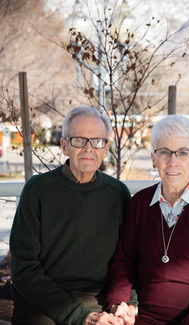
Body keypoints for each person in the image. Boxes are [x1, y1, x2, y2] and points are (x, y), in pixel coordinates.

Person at [105, 114, 189, 325]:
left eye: (183, 153)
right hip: (147, 318)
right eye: (164, 152)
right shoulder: (140, 203)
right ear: (153, 158)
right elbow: (124, 263)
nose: (172, 161)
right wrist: (117, 303)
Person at [10, 106, 136, 325]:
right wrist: (80, 316)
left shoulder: (118, 194)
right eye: (79, 140)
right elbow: (24, 268)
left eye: (96, 141)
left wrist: (127, 303)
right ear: (64, 146)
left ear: (106, 149)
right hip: (43, 302)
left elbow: (128, 260)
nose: (88, 148)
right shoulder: (38, 190)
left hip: (99, 300)